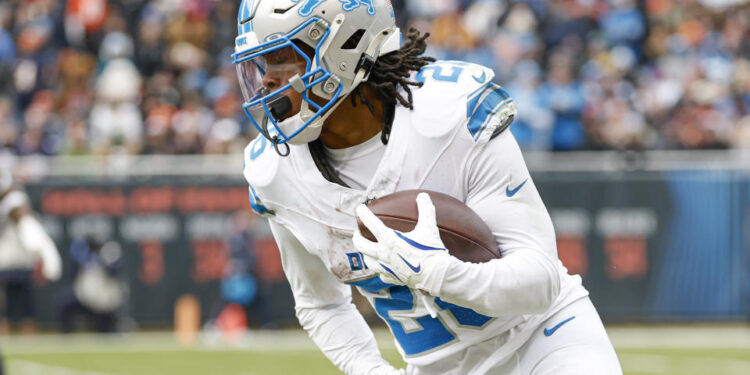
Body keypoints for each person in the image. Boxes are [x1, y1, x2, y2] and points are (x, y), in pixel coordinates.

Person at [235, 1, 622, 374]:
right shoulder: (276, 171)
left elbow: (539, 282)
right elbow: (321, 305)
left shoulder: (450, 116)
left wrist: (437, 272)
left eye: (283, 58)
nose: (267, 79)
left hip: (543, 340)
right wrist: (370, 370)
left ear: (343, 48)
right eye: (262, 63)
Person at [0, 169, 61, 333]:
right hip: (6, 254)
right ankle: (7, 328)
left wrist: (40, 253)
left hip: (17, 254)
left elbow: (27, 224)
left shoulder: (15, 199)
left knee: (24, 297)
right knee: (7, 297)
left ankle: (27, 328)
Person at [59, 236, 124, 333]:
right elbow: (73, 273)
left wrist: (103, 260)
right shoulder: (84, 255)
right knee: (65, 305)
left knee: (104, 331)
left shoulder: (109, 253)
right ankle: (66, 337)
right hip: (84, 299)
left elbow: (114, 272)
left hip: (104, 303)